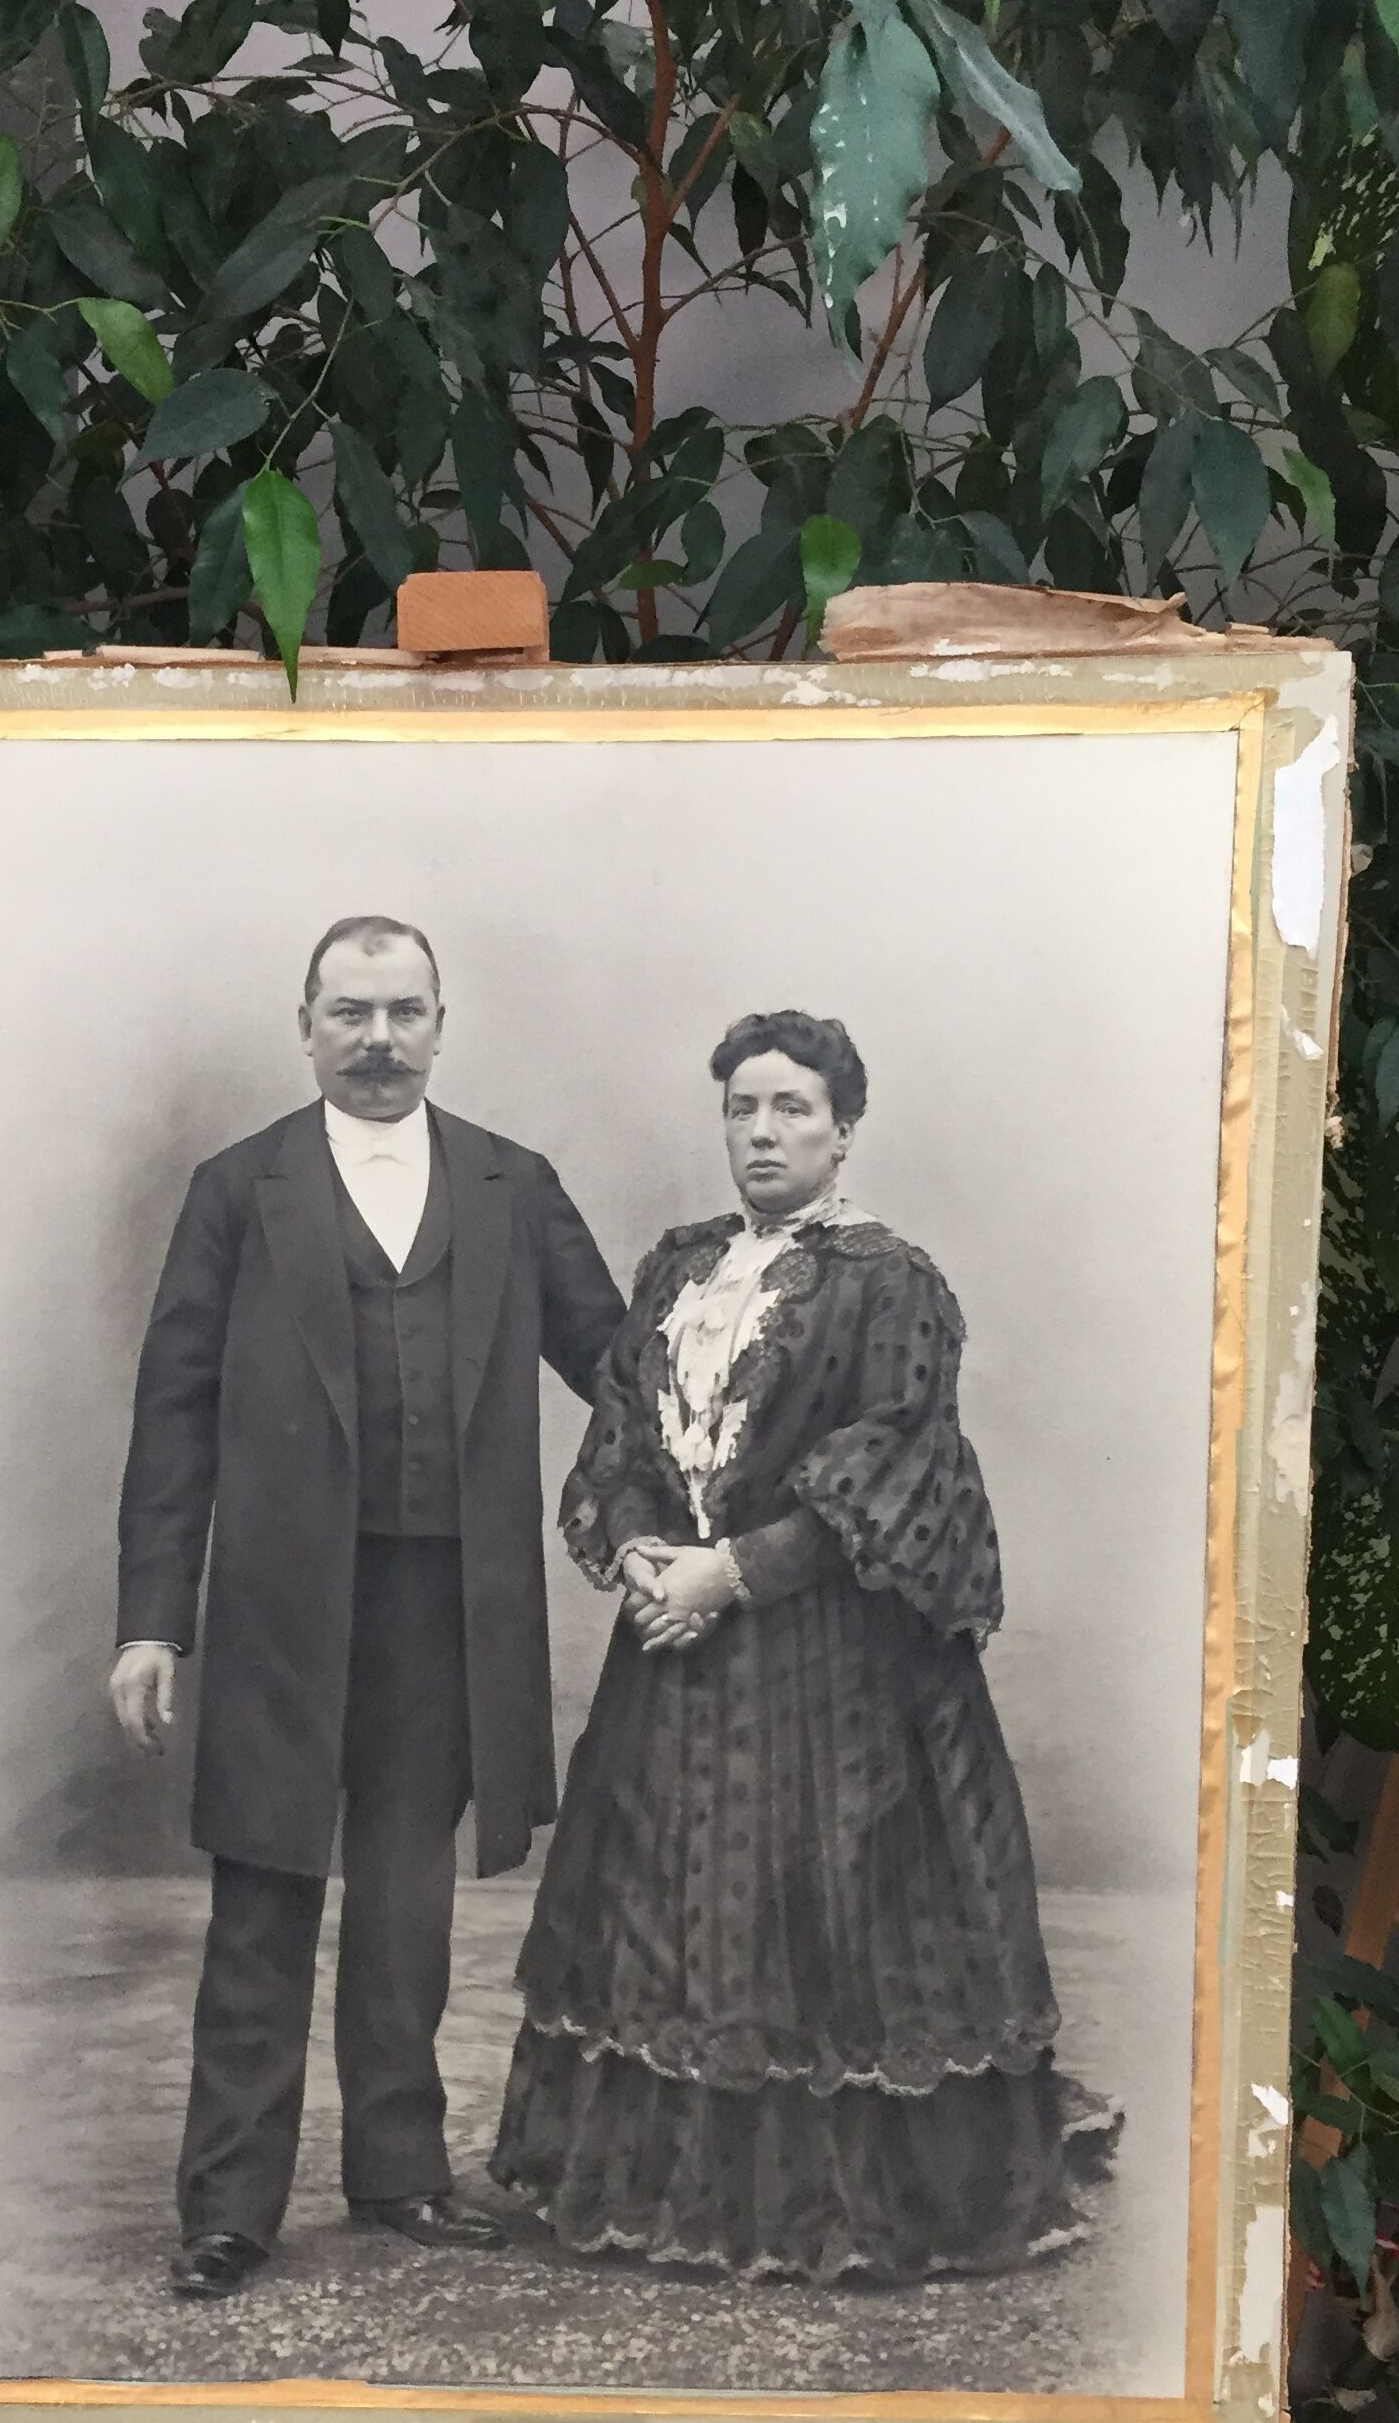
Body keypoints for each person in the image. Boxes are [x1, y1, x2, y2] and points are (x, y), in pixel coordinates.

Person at [492, 1008, 1114, 2283]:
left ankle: (836, 2205)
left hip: (831, 1665)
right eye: (742, 1109)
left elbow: (887, 1461)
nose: (763, 1132)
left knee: (825, 1923)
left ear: (844, 1130)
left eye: (791, 1110)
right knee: (664, 1917)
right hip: (673, 1648)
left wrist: (733, 1571)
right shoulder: (677, 1269)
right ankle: (674, 2193)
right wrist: (640, 1557)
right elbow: (618, 1426)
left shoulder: (893, 1284)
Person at [111, 915, 626, 2301]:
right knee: (265, 1901)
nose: (380, 1040)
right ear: (308, 1025)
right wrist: (153, 1621)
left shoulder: (515, 1186)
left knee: (407, 1901)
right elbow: (174, 1416)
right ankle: (229, 2207)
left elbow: (621, 1371)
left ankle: (400, 2174)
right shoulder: (239, 1190)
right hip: (284, 1604)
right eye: (352, 1013)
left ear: (442, 1025)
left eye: (405, 1012)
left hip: (447, 1605)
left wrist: (706, 1492)